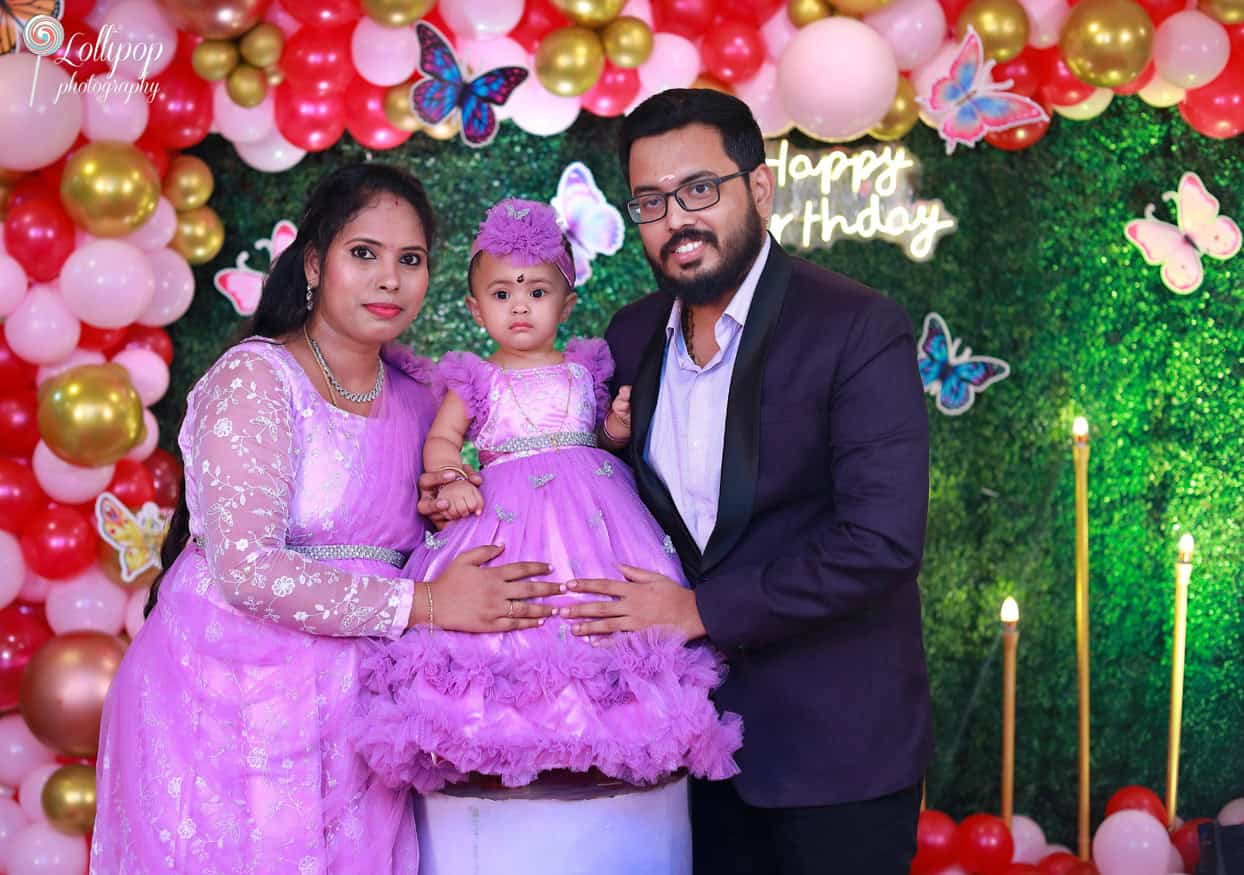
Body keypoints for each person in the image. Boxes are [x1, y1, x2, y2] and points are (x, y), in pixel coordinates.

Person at [91, 164, 559, 874]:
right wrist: (428, 602)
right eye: (363, 253)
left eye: (410, 260)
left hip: (355, 721)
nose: (389, 280)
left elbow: (477, 493)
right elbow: (247, 569)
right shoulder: (257, 379)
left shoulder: (422, 396)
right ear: (315, 263)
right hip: (224, 706)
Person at [562, 88, 934, 875]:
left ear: (758, 189)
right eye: (652, 202)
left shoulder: (857, 326)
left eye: (700, 189)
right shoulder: (631, 335)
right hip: (684, 749)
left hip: (834, 754)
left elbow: (880, 542)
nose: (677, 221)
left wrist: (699, 610)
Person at [349, 198, 741, 796]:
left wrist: (615, 427)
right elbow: (444, 441)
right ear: (476, 309)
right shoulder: (476, 379)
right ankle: (521, 739)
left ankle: (600, 736)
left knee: (601, 614)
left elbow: (604, 442)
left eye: (536, 291)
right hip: (507, 522)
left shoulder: (586, 367)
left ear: (567, 302)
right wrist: (452, 476)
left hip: (596, 520)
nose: (520, 307)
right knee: (515, 621)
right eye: (502, 295)